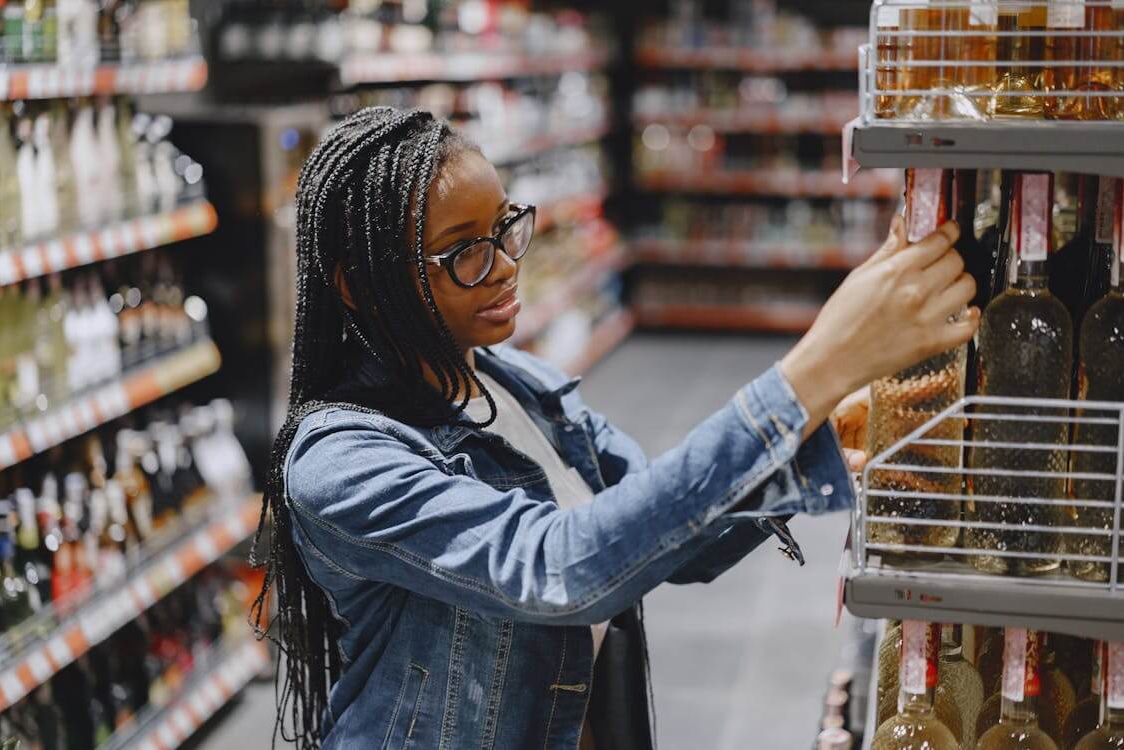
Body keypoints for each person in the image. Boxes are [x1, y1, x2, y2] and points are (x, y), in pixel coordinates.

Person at [249, 107, 979, 750]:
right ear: (357, 282)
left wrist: (821, 433)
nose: (504, 266)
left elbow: (669, 538)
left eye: (505, 227)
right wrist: (812, 372)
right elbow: (558, 567)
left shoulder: (517, 384)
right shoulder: (339, 461)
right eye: (462, 252)